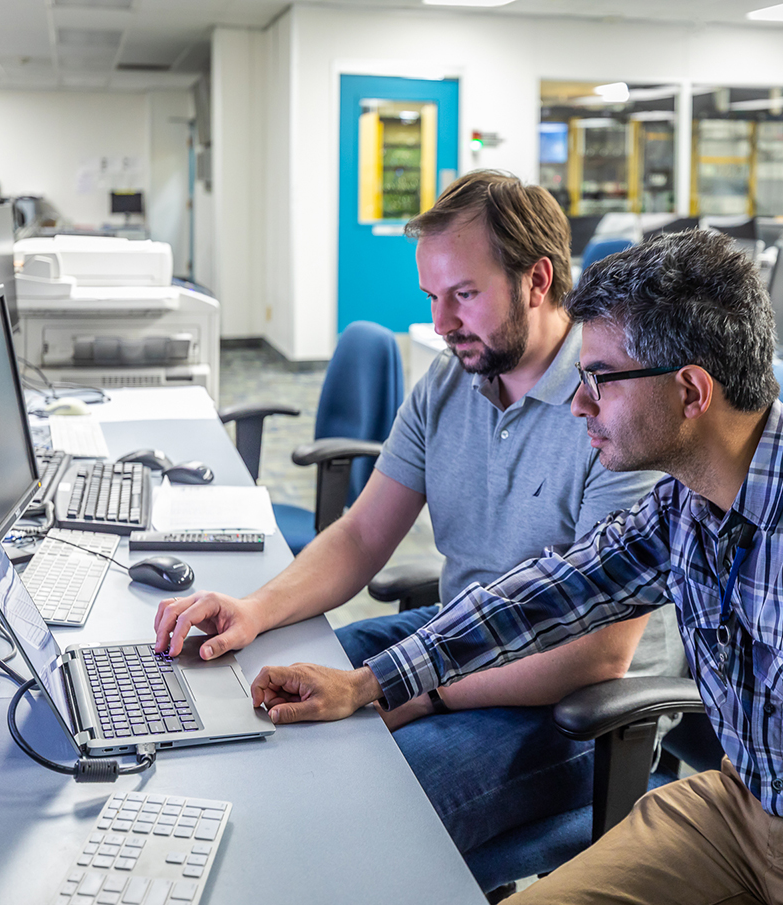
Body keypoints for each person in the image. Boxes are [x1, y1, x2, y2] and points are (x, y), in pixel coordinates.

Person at [243, 228, 783, 905]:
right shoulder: (690, 498)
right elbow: (547, 595)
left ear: (690, 391)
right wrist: (373, 682)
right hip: (751, 808)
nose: (576, 404)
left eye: (599, 380)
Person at [154, 170, 682, 863]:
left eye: (463, 295)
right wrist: (255, 609)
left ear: (537, 280)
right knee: (273, 672)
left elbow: (597, 652)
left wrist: (414, 691)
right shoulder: (451, 377)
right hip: (462, 630)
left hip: (579, 706)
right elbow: (363, 532)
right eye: (433, 297)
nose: (440, 323)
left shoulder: (613, 401)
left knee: (371, 795)